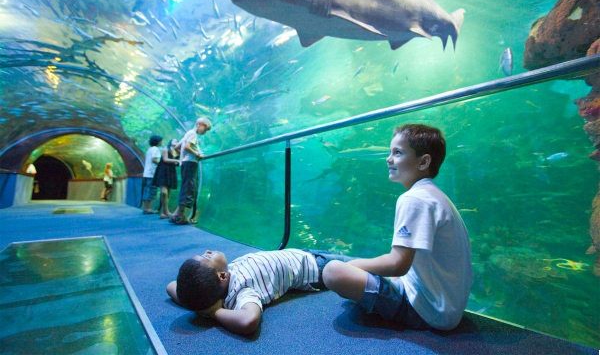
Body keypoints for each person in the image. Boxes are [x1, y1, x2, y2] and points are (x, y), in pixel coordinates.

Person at [322, 124, 473, 331]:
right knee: (354, 268)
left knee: (333, 271)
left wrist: (354, 265)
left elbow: (397, 265)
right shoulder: (433, 194)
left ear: (423, 162)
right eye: (389, 152)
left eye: (398, 153)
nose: (388, 159)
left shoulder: (415, 199)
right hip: (446, 307)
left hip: (428, 311)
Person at [166, 249, 351, 335]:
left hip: (302, 255)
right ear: (221, 277)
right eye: (207, 257)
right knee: (362, 265)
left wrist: (200, 305)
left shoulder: (218, 283)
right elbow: (249, 321)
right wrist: (214, 312)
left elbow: (172, 286)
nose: (207, 251)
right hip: (315, 269)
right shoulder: (242, 291)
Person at [170, 117, 211, 225]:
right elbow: (187, 147)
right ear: (200, 124)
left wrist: (183, 156)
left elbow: (178, 147)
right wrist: (198, 154)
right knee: (189, 188)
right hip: (190, 163)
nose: (205, 132)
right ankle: (181, 216)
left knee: (185, 187)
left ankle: (176, 214)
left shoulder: (188, 133)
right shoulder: (193, 134)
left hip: (185, 163)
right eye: (205, 129)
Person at [152, 138, 180, 219]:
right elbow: (165, 159)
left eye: (177, 140)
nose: (176, 141)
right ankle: (166, 211)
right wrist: (177, 161)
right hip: (163, 171)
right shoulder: (165, 149)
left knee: (168, 192)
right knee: (164, 192)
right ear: (170, 142)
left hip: (171, 171)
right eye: (174, 140)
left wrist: (178, 162)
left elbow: (177, 162)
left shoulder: (178, 151)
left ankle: (163, 212)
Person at [142, 134, 162, 214]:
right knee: (151, 190)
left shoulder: (149, 149)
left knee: (147, 190)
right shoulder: (155, 149)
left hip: (146, 173)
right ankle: (148, 208)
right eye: (160, 141)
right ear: (157, 141)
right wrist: (162, 165)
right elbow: (154, 160)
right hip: (152, 174)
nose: (161, 142)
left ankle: (145, 208)